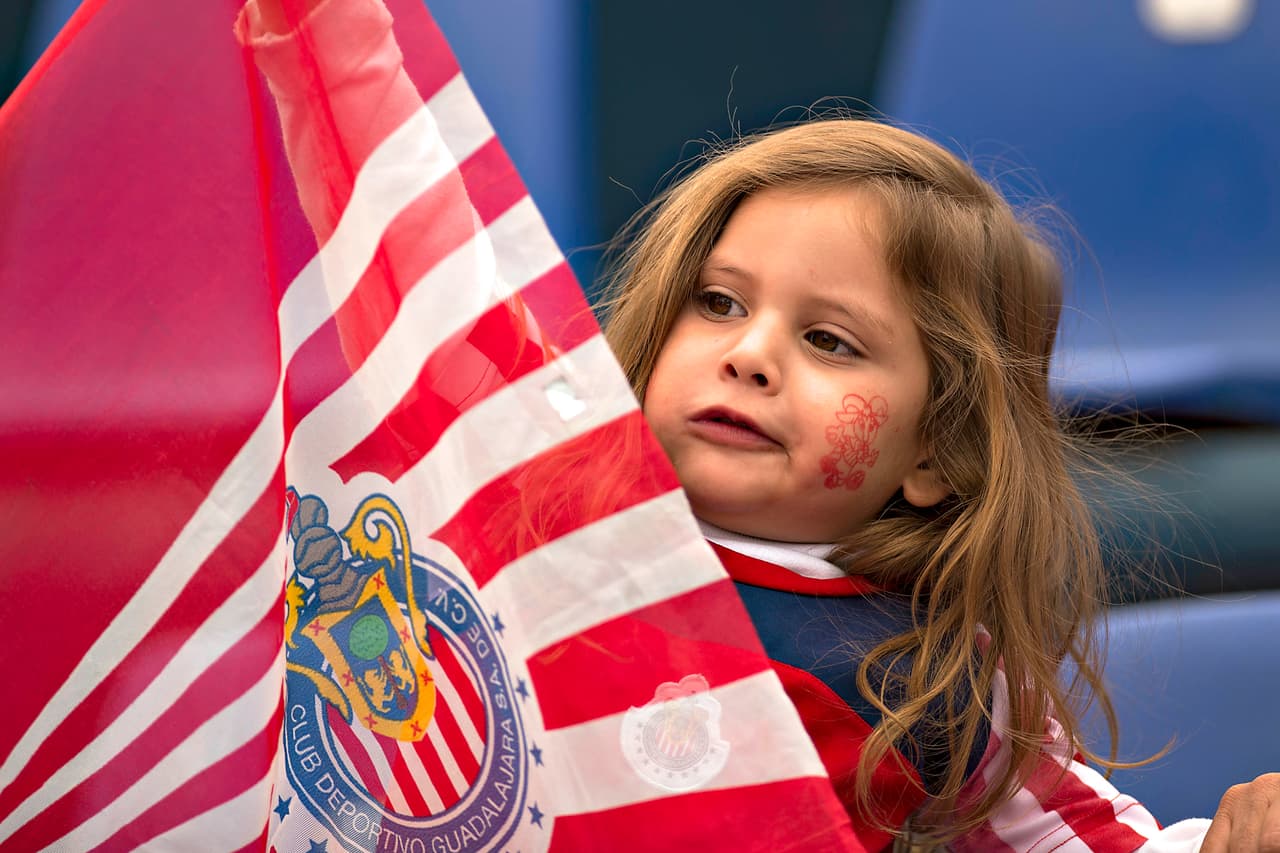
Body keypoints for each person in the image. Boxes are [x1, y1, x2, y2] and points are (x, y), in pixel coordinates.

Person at [238, 0, 1280, 849]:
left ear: (935, 452)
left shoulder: (925, 675)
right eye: (719, 302)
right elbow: (406, 257)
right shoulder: (529, 493)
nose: (748, 352)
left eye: (830, 341)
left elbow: (1077, 841)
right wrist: (316, 38)